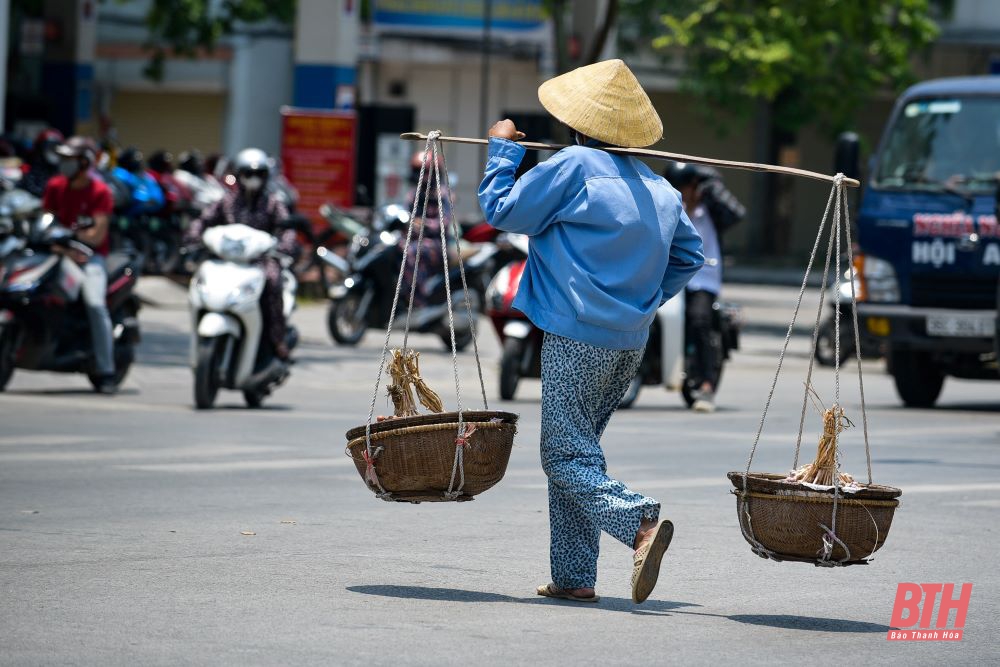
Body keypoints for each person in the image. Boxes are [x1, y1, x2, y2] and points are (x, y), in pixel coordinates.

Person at [479, 59, 704, 604]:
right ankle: (574, 577)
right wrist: (641, 301)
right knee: (579, 453)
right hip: (629, 341)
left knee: (563, 456)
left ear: (579, 125)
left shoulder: (575, 164)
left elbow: (501, 210)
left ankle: (638, 523)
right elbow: (689, 256)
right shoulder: (660, 188)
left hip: (576, 338)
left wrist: (502, 149)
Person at [186, 148, 296, 360]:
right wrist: (193, 235)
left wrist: (285, 246)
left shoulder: (273, 203)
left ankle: (277, 339)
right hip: (226, 259)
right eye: (248, 174)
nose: (253, 179)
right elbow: (204, 219)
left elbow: (287, 228)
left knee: (273, 282)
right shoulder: (226, 201)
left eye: (259, 174)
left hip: (259, 261)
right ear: (239, 175)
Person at [665, 162, 745, 413]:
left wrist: (710, 183)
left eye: (686, 187)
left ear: (695, 186)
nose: (682, 192)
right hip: (671, 274)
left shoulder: (712, 210)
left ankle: (707, 385)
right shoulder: (668, 208)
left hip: (703, 278)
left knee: (699, 320)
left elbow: (737, 212)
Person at [42, 137, 118, 394]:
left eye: (69, 159)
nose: (63, 164)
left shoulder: (100, 192)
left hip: (90, 259)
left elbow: (97, 235)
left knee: (96, 305)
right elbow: (45, 222)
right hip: (57, 254)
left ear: (84, 162)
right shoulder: (55, 186)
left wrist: (73, 242)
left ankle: (107, 370)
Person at [21, 128, 64, 197]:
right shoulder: (31, 168)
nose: (53, 151)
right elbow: (30, 187)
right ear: (40, 148)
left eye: (55, 148)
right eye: (49, 147)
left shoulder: (62, 169)